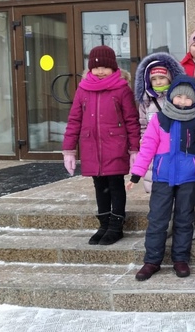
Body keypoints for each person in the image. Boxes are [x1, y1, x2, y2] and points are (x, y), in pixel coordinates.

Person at [126, 75, 195, 281]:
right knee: (157, 219)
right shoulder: (159, 119)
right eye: (179, 96)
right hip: (162, 178)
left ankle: (180, 259)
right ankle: (152, 261)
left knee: (184, 220)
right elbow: (147, 147)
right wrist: (136, 174)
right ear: (171, 96)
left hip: (188, 179)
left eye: (187, 98)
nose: (182, 101)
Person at [62, 45, 140, 246]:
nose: (100, 71)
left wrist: (134, 149)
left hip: (115, 145)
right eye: (96, 67)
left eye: (104, 67)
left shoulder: (122, 89)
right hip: (91, 146)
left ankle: (116, 226)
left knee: (115, 184)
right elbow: (74, 119)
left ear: (113, 67)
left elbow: (131, 120)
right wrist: (69, 150)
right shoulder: (83, 88)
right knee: (99, 186)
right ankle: (104, 225)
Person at [134, 52, 185, 193]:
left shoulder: (177, 98)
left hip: (175, 144)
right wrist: (143, 139)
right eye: (154, 79)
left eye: (162, 78)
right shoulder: (146, 101)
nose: (158, 82)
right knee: (155, 178)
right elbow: (143, 124)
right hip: (153, 145)